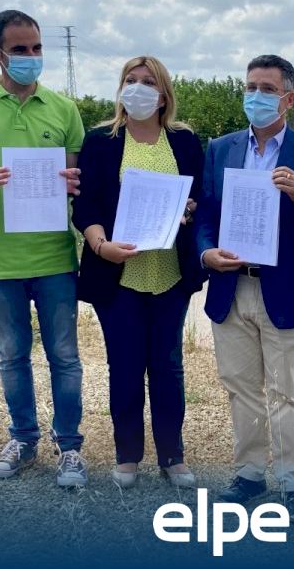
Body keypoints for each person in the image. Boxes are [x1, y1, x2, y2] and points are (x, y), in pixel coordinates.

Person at [194, 54, 294, 511]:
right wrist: (205, 252)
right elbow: (206, 213)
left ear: (288, 99)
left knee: (287, 391)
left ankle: (293, 481)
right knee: (240, 387)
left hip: (284, 288)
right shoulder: (221, 148)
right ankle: (249, 474)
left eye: (268, 89)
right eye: (251, 87)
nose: (257, 96)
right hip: (230, 285)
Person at [0, 10, 87, 487]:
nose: (31, 57)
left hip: (54, 257)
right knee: (12, 355)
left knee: (64, 356)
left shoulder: (64, 109)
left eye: (37, 48)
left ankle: (70, 446)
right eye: (20, 49)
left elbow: (76, 180)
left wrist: (73, 182)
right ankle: (23, 440)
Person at [71, 56, 205, 489]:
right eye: (131, 80)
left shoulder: (184, 141)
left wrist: (188, 209)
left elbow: (199, 198)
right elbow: (85, 207)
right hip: (118, 275)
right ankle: (127, 455)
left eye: (148, 81)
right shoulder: (101, 141)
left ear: (163, 94)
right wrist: (100, 245)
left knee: (168, 367)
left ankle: (173, 456)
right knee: (125, 366)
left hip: (169, 274)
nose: (138, 88)